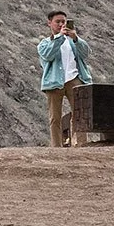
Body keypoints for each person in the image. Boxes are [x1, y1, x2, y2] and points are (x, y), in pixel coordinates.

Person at [37, 11, 93, 147]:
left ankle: (80, 143)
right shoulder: (44, 43)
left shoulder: (72, 41)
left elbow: (86, 53)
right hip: (54, 82)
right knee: (55, 117)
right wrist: (59, 38)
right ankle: (56, 146)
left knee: (80, 114)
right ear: (49, 23)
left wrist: (76, 38)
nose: (61, 24)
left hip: (74, 79)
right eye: (58, 22)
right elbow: (48, 55)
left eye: (64, 21)